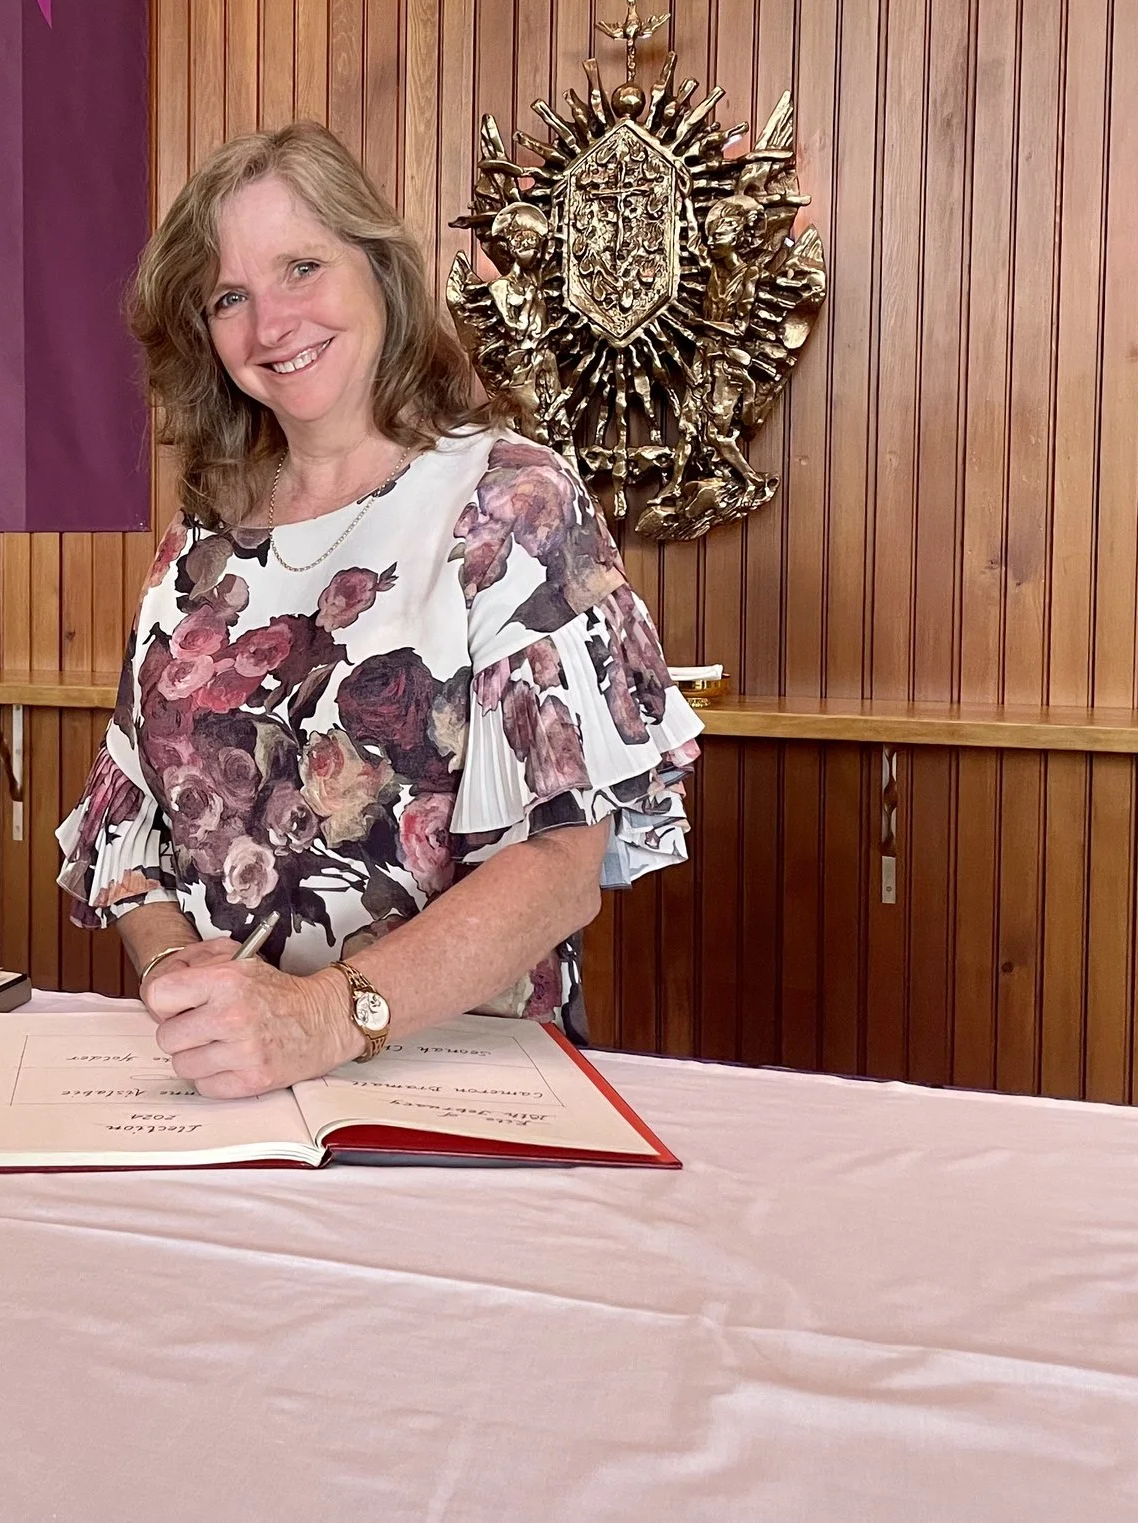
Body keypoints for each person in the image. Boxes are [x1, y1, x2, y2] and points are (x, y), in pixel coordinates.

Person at [55, 123, 701, 1098]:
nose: (271, 325)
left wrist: (321, 1018)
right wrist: (174, 973)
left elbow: (565, 859)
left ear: (378, 270)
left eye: (301, 268)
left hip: (452, 1090)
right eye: (230, 297)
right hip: (228, 1088)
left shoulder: (509, 502)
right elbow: (127, 817)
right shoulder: (201, 538)